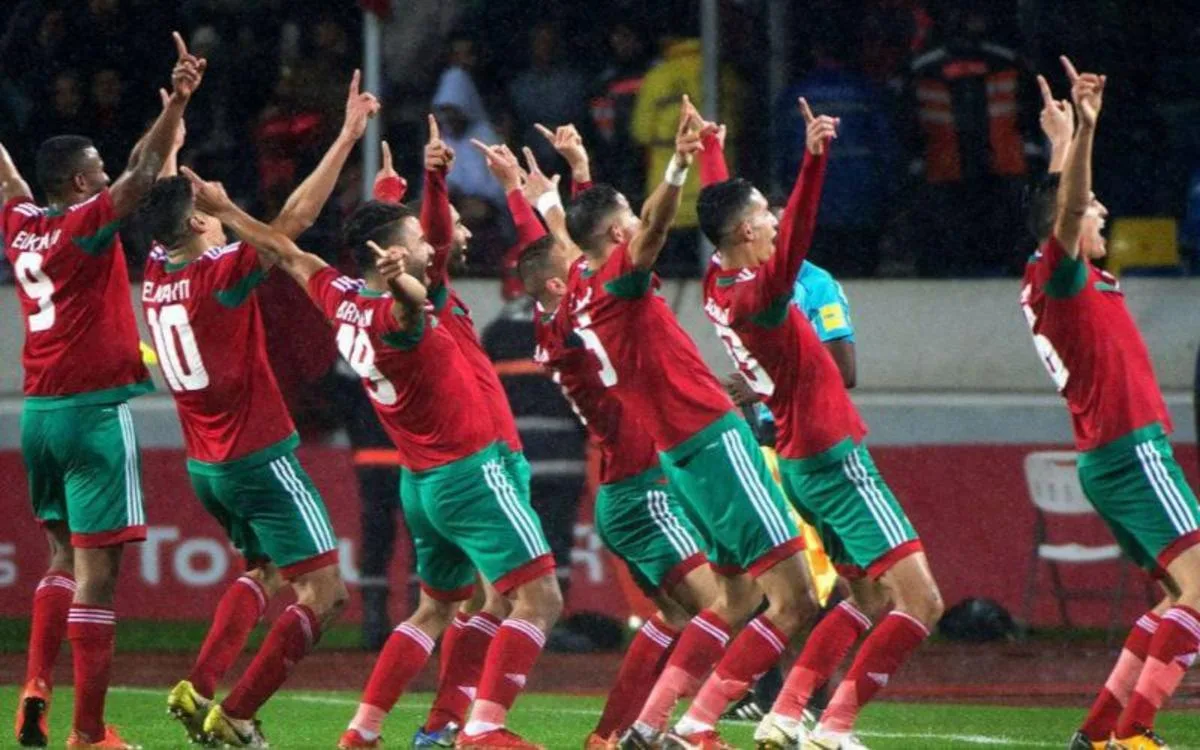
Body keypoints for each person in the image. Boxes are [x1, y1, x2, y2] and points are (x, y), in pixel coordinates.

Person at [187, 165, 563, 750]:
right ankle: (483, 729)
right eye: (420, 239)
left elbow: (285, 251)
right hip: (471, 472)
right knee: (540, 599)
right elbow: (411, 305)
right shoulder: (397, 314)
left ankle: (364, 732)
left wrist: (228, 211)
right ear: (396, 255)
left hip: (424, 481)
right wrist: (404, 282)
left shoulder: (340, 298)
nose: (432, 244)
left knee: (436, 609)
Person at [561, 97, 818, 750]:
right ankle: (698, 724)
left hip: (680, 457)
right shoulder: (621, 278)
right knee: (795, 601)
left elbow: (590, 230)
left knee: (733, 601)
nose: (638, 224)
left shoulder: (582, 284)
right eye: (628, 220)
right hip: (713, 440)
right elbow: (650, 229)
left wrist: (578, 176)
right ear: (616, 239)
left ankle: (651, 726)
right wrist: (677, 165)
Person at [140, 70, 377, 748]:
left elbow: (159, 196)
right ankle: (238, 715)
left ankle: (199, 686)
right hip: (259, 460)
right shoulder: (217, 276)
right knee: (326, 594)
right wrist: (347, 136)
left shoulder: (156, 270)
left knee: (265, 570)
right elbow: (292, 226)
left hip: (207, 467)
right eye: (209, 210)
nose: (219, 213)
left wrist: (174, 123)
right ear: (196, 222)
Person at [696, 100, 942, 750]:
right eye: (764, 216)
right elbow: (797, 230)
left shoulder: (718, 280)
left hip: (796, 456)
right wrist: (815, 160)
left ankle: (786, 714)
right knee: (921, 603)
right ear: (747, 232)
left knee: (864, 599)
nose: (774, 222)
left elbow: (722, 213)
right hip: (833, 455)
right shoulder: (763, 293)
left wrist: (711, 152)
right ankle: (834, 727)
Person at [476, 133, 721, 748]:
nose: (583, 263)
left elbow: (567, 247)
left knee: (677, 616)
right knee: (722, 608)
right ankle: (682, 729)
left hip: (626, 486)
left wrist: (537, 192)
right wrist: (542, 197)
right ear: (559, 285)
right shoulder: (590, 303)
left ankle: (611, 736)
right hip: (641, 489)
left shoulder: (562, 314)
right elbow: (576, 248)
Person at [5, 32, 203, 750]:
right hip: (93, 414)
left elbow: (7, 177)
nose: (105, 176)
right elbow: (144, 173)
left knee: (61, 558)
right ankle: (88, 733)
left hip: (39, 415)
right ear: (80, 185)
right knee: (99, 575)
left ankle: (35, 686)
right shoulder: (84, 227)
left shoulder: (19, 224)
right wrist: (177, 103)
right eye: (97, 171)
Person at [1026, 60, 1200, 750]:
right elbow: (1067, 210)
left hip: (1111, 455)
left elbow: (1058, 206)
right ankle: (1136, 734)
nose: (1101, 213)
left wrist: (1061, 143)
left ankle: (1099, 732)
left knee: (1176, 596)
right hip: (1131, 450)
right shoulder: (1062, 275)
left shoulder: (1051, 276)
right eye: (1095, 206)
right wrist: (1088, 133)